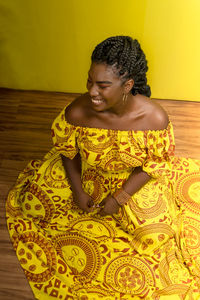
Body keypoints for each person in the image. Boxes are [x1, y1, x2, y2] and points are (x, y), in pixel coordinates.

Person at [6, 36, 200, 299]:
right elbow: (68, 153)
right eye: (90, 81)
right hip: (89, 170)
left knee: (154, 234)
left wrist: (120, 198)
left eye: (103, 85)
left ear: (127, 85)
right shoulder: (77, 112)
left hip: (131, 179)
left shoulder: (154, 118)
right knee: (33, 205)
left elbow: (152, 166)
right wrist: (78, 191)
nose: (92, 91)